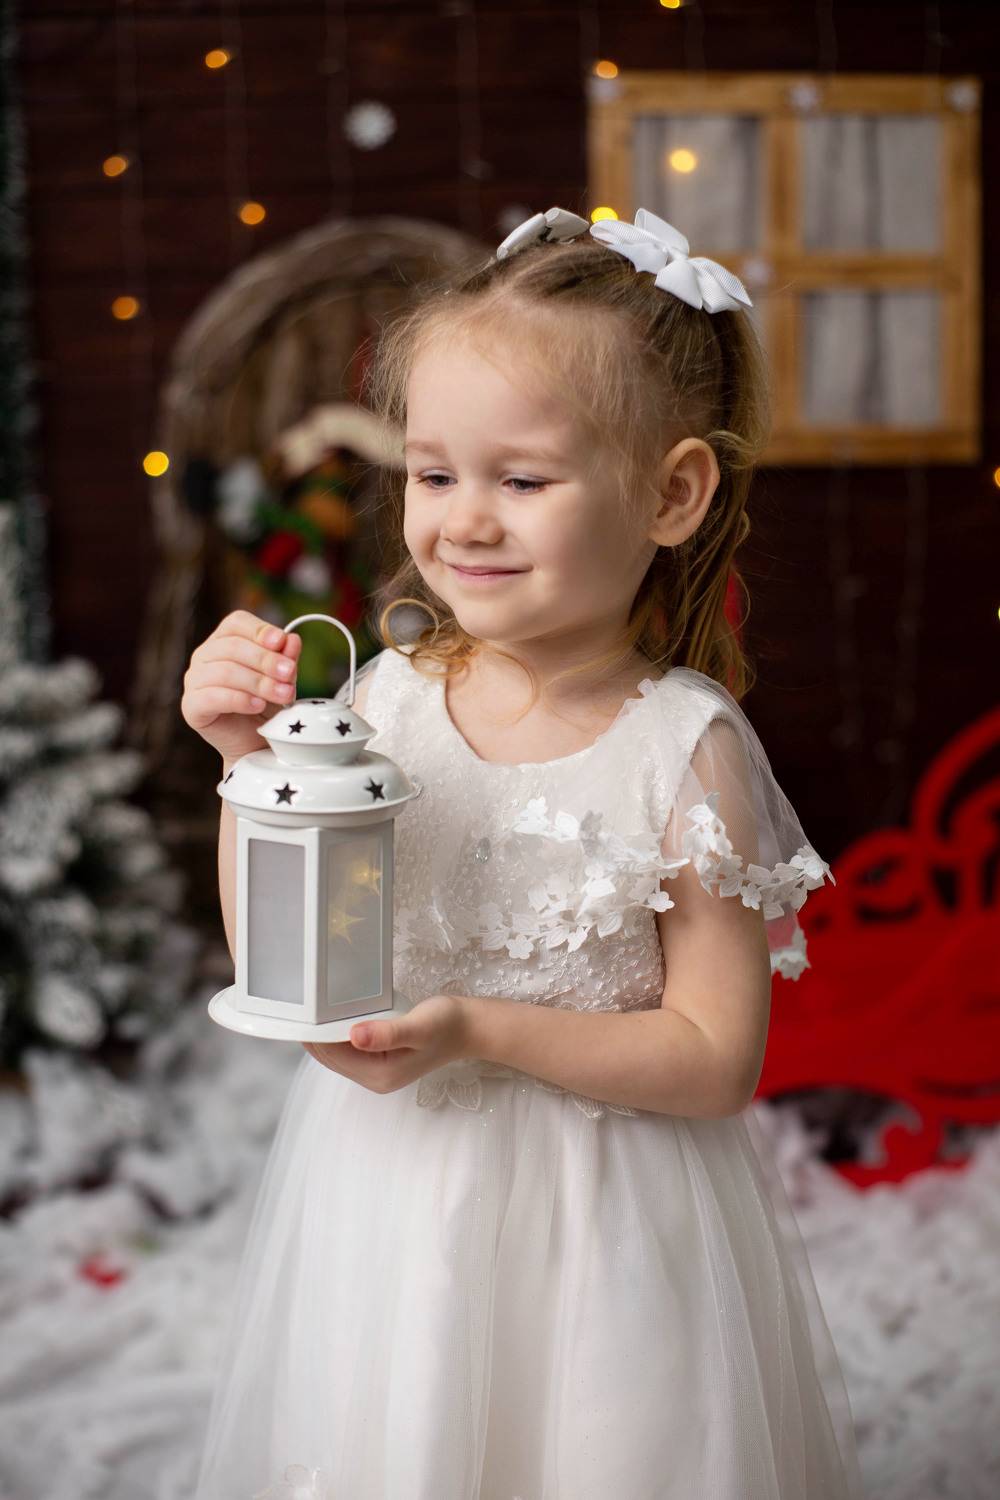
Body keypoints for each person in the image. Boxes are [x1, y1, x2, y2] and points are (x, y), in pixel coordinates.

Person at [181, 206, 866, 1500]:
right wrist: (247, 768)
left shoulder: (680, 748)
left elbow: (715, 1060)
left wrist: (478, 1032)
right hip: (393, 1196)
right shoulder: (384, 701)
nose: (464, 523)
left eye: (524, 481)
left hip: (600, 1223)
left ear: (670, 494)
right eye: (433, 474)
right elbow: (296, 957)